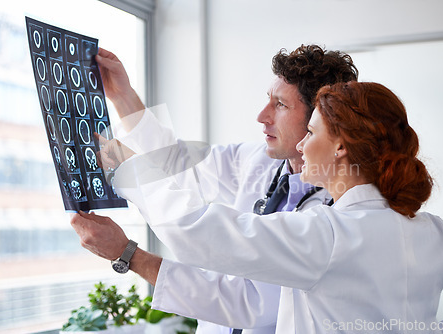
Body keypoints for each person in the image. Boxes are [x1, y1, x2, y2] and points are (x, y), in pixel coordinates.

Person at [73, 81, 443, 333]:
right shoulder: (433, 232)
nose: (303, 146)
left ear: (341, 146)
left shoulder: (328, 236)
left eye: (311, 132)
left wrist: (129, 173)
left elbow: (199, 230)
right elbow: (180, 166)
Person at [82, 45, 357, 333]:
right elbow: (176, 162)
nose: (262, 116)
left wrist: (128, 253)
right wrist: (121, 94)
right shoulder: (258, 160)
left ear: (320, 119)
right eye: (268, 100)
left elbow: (249, 305)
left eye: (281, 105)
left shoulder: (334, 211)